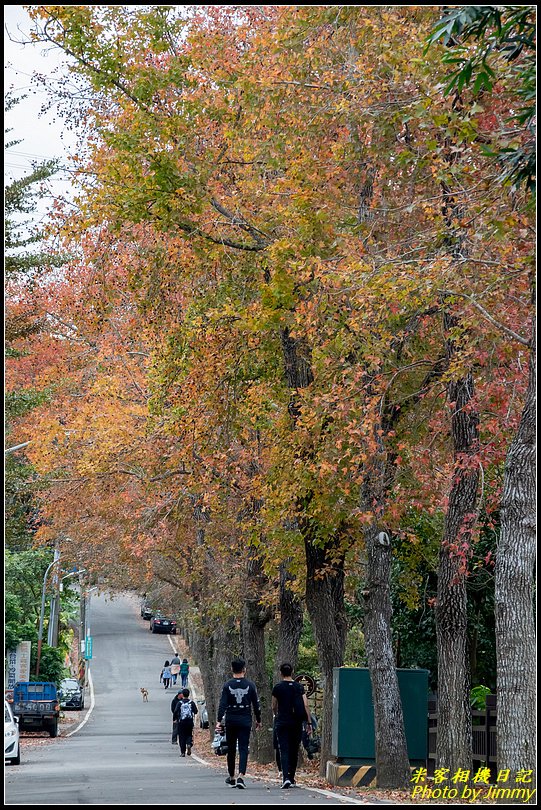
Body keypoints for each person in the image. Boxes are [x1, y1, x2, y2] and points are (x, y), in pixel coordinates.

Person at [217, 657, 261, 789]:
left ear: (232, 669)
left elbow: (222, 704)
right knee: (243, 748)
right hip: (245, 718)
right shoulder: (250, 685)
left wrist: (219, 721)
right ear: (244, 670)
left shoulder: (227, 685)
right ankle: (241, 775)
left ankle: (231, 776)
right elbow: (256, 705)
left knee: (231, 749)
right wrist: (258, 720)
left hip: (231, 719)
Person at [271, 662, 311, 789]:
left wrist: (276, 714)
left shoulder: (277, 687)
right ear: (292, 671)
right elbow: (305, 705)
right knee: (294, 749)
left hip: (282, 721)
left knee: (283, 749)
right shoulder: (299, 687)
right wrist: (309, 721)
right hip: (296, 722)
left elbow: (273, 705)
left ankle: (285, 778)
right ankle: (292, 777)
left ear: (280, 673)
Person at [174, 687, 198, 757]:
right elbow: (196, 711)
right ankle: (189, 744)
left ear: (183, 695)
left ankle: (183, 752)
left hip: (181, 722)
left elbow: (175, 711)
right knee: (189, 734)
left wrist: (175, 719)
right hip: (189, 722)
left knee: (182, 737)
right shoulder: (191, 703)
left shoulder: (180, 703)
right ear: (188, 694)